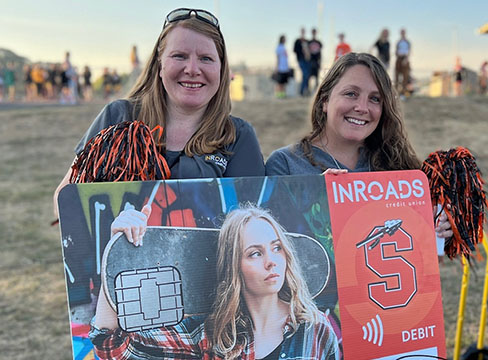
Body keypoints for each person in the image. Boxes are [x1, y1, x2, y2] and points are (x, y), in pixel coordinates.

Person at [53, 8, 265, 216]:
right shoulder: (118, 116)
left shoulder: (238, 136)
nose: (192, 69)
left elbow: (253, 225)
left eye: (206, 58)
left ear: (221, 68)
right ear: (159, 65)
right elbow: (65, 200)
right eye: (179, 56)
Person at [90, 205, 340, 359]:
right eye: (255, 253)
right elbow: (114, 348)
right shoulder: (211, 336)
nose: (272, 261)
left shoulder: (315, 329)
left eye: (276, 248)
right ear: (234, 267)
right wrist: (116, 257)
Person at [265, 52, 452, 239]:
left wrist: (439, 231)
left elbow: (420, 256)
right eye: (351, 94)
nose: (362, 107)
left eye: (375, 99)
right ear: (325, 100)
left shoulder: (397, 166)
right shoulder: (285, 164)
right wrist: (316, 199)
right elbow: (275, 250)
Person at [293, 27, 311, 96]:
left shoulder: (307, 41)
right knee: (305, 74)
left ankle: (304, 91)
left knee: (306, 75)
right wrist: (302, 50)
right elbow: (295, 50)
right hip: (301, 60)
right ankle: (302, 90)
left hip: (307, 60)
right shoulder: (297, 41)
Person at [395, 28, 411, 97]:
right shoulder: (398, 42)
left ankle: (403, 93)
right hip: (399, 58)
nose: (402, 33)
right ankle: (395, 93)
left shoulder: (407, 42)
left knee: (405, 76)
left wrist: (406, 59)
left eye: (403, 32)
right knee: (397, 76)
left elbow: (409, 51)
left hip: (405, 59)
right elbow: (396, 50)